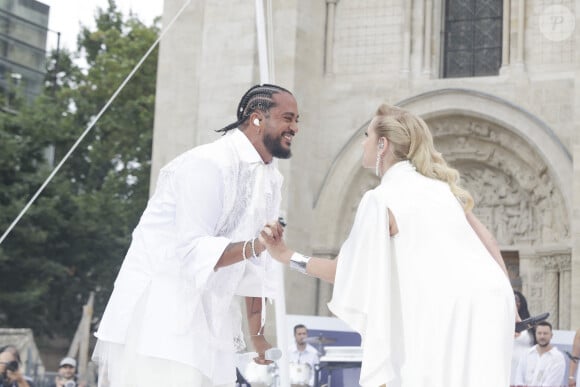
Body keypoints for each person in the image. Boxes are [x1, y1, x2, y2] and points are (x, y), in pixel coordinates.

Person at [259, 104, 515, 387]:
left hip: (447, 312)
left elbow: (344, 271)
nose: (362, 142)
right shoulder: (442, 188)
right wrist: (514, 307)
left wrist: (285, 255)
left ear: (383, 144)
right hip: (494, 301)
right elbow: (488, 240)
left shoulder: (380, 198)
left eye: (366, 135)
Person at [92, 84, 300, 387]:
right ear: (257, 119)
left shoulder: (272, 179)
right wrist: (256, 246)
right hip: (163, 313)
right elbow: (192, 250)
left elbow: (257, 264)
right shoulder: (208, 163)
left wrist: (258, 337)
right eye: (288, 118)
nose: (294, 127)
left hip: (213, 319)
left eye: (297, 120)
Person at [514, 321, 566, 386]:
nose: (542, 336)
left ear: (551, 335)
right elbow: (518, 379)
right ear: (535, 334)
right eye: (539, 333)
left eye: (545, 333)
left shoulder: (558, 358)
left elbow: (551, 384)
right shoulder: (526, 354)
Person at [512, 291, 535, 386]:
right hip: (507, 365)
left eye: (517, 301)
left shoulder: (528, 323)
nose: (516, 303)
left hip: (526, 366)